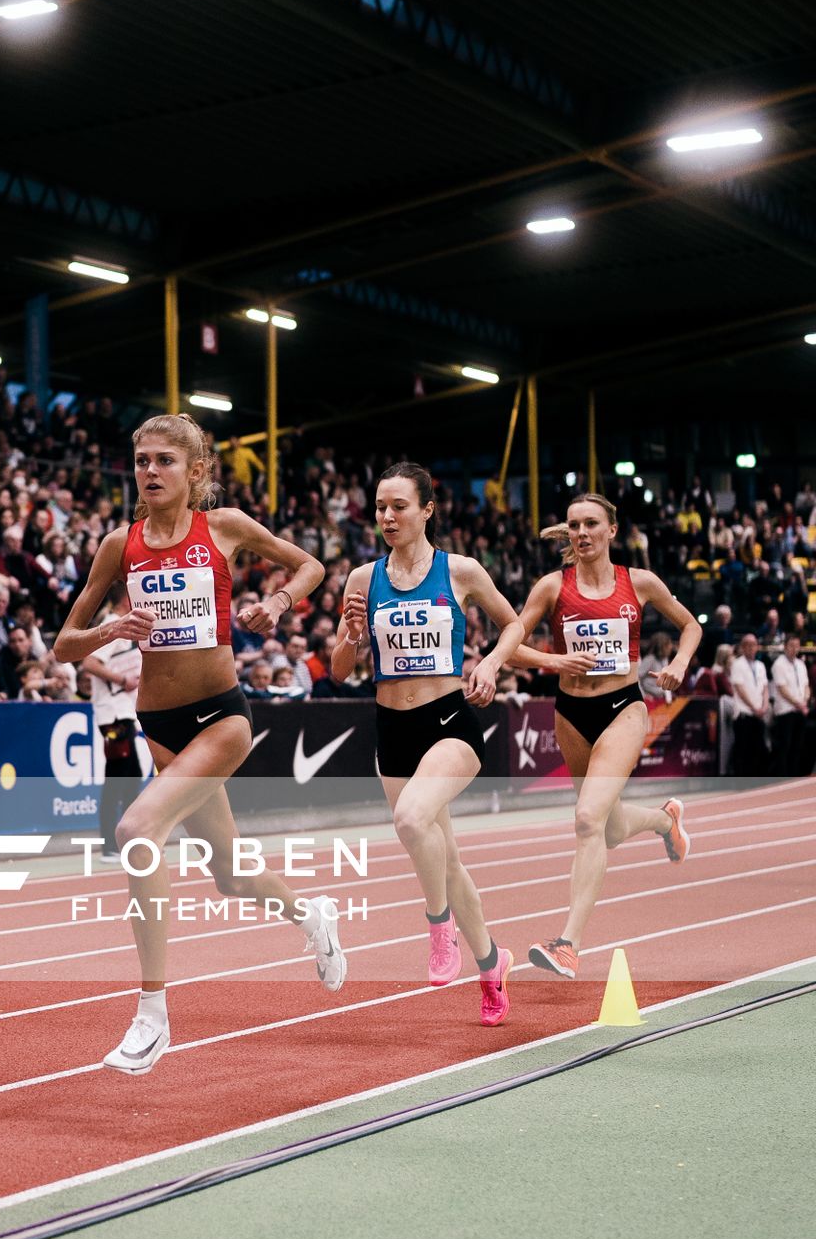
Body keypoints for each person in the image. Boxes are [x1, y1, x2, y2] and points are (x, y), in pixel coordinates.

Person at [55, 412, 341, 1077]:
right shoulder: (117, 545)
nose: (150, 472)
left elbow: (310, 566)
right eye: (142, 461)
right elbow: (64, 642)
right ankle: (312, 915)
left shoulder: (226, 527)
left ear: (195, 472)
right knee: (231, 873)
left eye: (164, 461)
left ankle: (151, 1014)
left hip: (221, 717)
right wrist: (109, 630)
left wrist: (277, 603)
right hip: (158, 725)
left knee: (135, 828)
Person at [333, 461, 523, 1026]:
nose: (387, 516)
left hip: (449, 724)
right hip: (391, 731)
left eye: (399, 506)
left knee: (413, 820)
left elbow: (512, 624)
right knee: (451, 859)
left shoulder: (459, 570)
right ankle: (492, 964)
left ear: (427, 510)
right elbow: (343, 669)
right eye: (380, 507)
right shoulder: (363, 579)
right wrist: (350, 634)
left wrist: (488, 662)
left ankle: (440, 930)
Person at [512, 492, 702, 978]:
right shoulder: (552, 587)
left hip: (624, 707)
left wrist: (679, 662)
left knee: (586, 819)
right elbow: (510, 647)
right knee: (609, 828)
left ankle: (568, 943)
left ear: (611, 531)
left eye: (591, 524)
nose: (581, 533)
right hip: (571, 712)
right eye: (573, 525)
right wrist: (554, 661)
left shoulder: (638, 583)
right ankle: (665, 821)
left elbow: (690, 626)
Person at [80, 592, 144, 859]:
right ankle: (110, 845)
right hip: (113, 718)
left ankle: (126, 841)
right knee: (117, 781)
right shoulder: (112, 623)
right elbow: (89, 663)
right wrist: (121, 679)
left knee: (132, 780)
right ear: (126, 599)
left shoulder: (126, 627)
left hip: (125, 714)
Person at [728, 632, 770, 776]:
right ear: (743, 647)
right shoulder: (737, 664)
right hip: (744, 713)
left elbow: (765, 688)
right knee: (743, 749)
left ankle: (756, 779)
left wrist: (764, 706)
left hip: (759, 714)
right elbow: (740, 690)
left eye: (754, 645)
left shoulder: (760, 665)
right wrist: (754, 707)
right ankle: (741, 780)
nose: (751, 648)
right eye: (748, 645)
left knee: (759, 748)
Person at [770, 634, 811, 775]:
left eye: (797, 646)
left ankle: (794, 775)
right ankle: (782, 776)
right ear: (785, 647)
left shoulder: (801, 664)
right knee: (784, 747)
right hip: (785, 711)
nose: (794, 649)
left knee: (798, 746)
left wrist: (805, 700)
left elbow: (806, 686)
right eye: (791, 646)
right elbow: (783, 690)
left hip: (800, 710)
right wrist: (800, 704)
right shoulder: (779, 664)